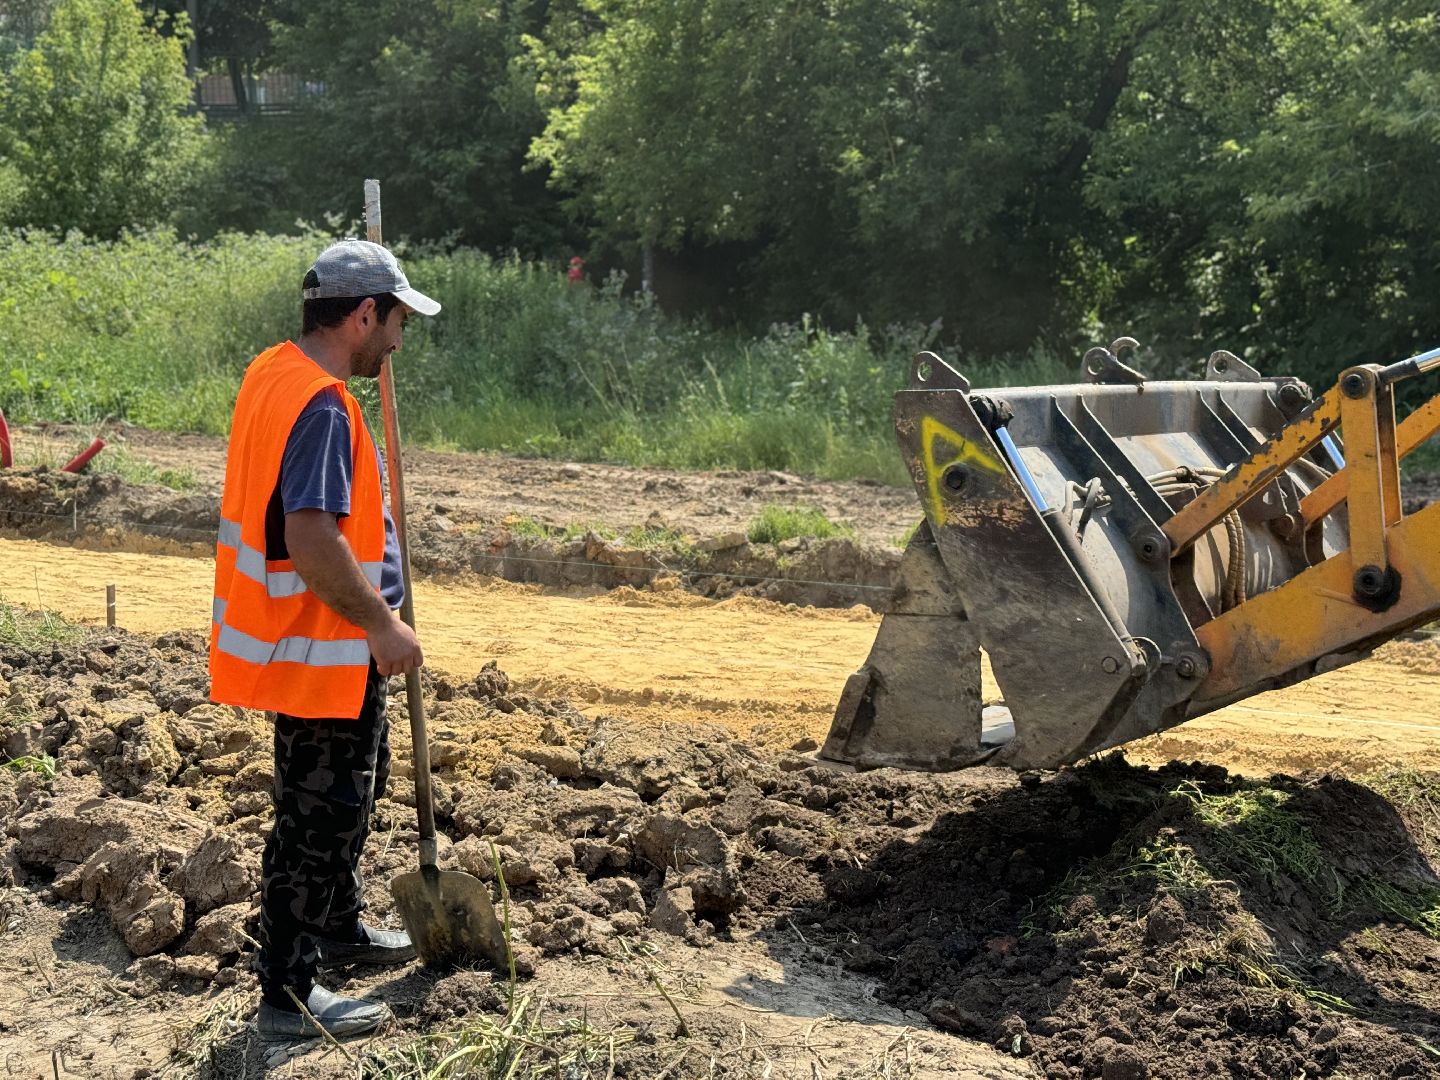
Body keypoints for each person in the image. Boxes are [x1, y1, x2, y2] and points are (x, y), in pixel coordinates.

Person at [208, 239, 441, 1040]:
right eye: (397, 321)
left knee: (347, 797)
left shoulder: (273, 371)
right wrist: (383, 624)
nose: (399, 343)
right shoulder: (321, 405)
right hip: (324, 648)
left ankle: (337, 924)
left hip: (310, 648)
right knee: (320, 818)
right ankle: (289, 995)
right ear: (364, 314)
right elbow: (309, 538)